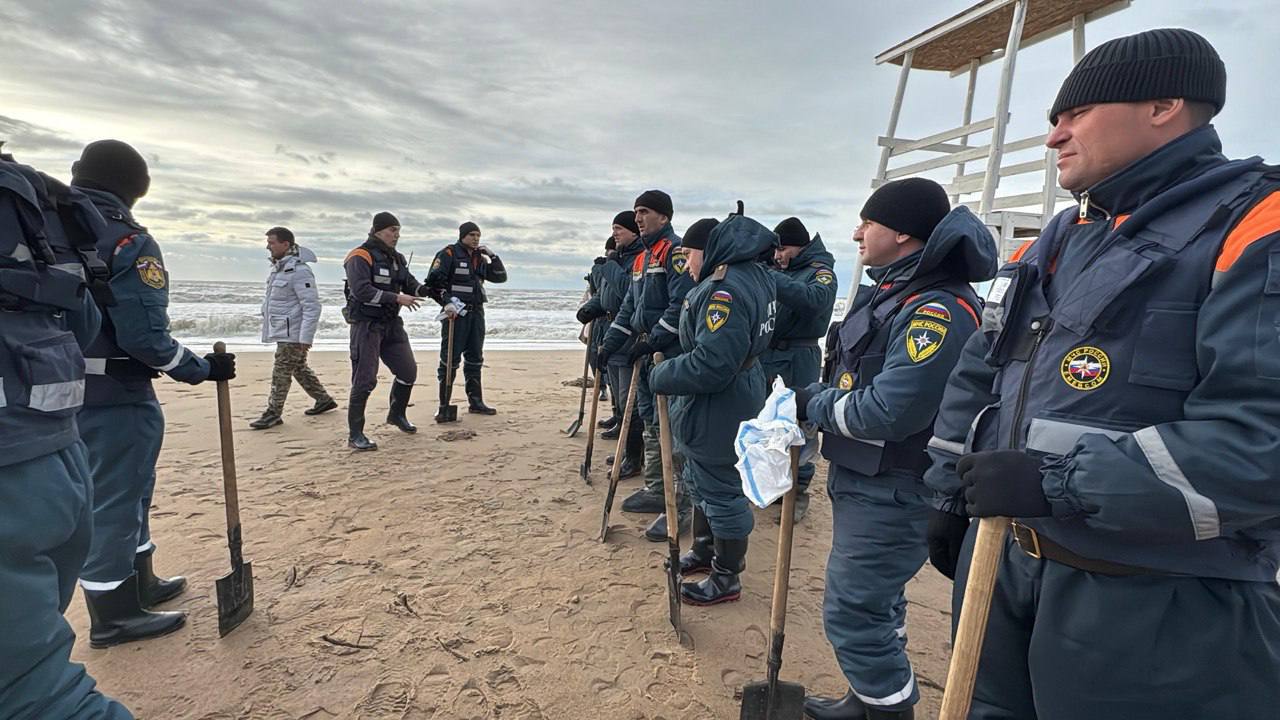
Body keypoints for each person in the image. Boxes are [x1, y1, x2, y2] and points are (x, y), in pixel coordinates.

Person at [924, 28, 1280, 719]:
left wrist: (1058, 482)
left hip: (1157, 604)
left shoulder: (1255, 226)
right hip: (1006, 566)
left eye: (1076, 114)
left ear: (1164, 105)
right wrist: (946, 492)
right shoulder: (1059, 238)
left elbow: (1261, 440)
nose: (1054, 136)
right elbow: (983, 369)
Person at [795, 179, 995, 720]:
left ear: (903, 232)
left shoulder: (937, 309)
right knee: (877, 603)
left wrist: (814, 405)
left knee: (854, 611)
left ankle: (887, 710)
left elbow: (891, 410)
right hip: (866, 478)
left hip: (895, 486)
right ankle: (871, 698)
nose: (856, 233)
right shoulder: (897, 292)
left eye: (868, 222)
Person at [72, 139, 237, 647]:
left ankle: (140, 580)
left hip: (61, 386)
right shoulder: (126, 239)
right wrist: (200, 369)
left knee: (124, 489)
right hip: (115, 391)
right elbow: (143, 336)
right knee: (117, 496)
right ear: (139, 187)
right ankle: (114, 613)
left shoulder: (52, 228)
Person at [0, 150, 133, 718]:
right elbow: (85, 319)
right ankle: (119, 606)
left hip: (34, 446)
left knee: (32, 692)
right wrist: (190, 366)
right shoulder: (42, 202)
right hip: (50, 442)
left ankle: (119, 605)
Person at [650, 209, 776, 605]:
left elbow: (713, 364)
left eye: (689, 254)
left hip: (721, 402)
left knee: (721, 486)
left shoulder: (725, 289)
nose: (686, 264)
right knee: (703, 477)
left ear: (709, 251)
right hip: (738, 389)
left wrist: (662, 374)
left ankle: (726, 576)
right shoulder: (755, 275)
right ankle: (705, 550)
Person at [598, 190, 695, 540]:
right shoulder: (642, 258)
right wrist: (610, 343)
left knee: (672, 424)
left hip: (667, 354)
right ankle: (656, 486)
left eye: (645, 211)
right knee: (650, 419)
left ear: (664, 217)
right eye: (636, 212)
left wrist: (654, 339)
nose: (638, 218)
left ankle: (679, 498)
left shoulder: (675, 253)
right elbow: (629, 307)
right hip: (644, 352)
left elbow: (680, 305)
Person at [760, 216, 837, 522]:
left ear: (801, 246)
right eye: (776, 250)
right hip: (770, 355)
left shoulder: (821, 272)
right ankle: (774, 485)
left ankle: (798, 491)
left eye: (783, 249)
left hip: (799, 355)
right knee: (769, 422)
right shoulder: (783, 270)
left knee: (799, 424)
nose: (778, 256)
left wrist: (771, 277)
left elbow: (814, 300)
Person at [343, 211, 428, 450]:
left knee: (408, 371)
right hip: (367, 325)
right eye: (393, 230)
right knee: (365, 380)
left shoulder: (397, 258)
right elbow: (361, 291)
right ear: (378, 231)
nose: (396, 235)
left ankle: (396, 414)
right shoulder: (359, 256)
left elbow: (411, 284)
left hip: (392, 324)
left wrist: (429, 290)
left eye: (398, 231)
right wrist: (397, 297)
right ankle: (355, 434)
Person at [577, 211, 644, 478]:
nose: (614, 233)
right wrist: (591, 308)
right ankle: (625, 450)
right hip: (610, 331)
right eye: (613, 228)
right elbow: (608, 295)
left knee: (630, 400)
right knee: (618, 394)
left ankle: (633, 457)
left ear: (633, 231)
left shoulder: (637, 259)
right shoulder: (619, 257)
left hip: (628, 334)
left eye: (619, 228)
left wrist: (611, 266)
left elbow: (627, 291)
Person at [250, 226, 336, 429]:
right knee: (297, 367)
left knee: (281, 371)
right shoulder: (279, 268)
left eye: (271, 243)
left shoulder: (300, 271)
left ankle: (273, 413)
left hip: (294, 333)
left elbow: (312, 306)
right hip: (283, 329)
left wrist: (305, 338)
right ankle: (323, 399)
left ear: (285, 244)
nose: (268, 247)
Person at [424, 221, 508, 417]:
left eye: (478, 235)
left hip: (476, 312)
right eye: (472, 235)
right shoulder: (448, 254)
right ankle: (444, 405)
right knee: (450, 359)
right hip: (455, 314)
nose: (476, 239)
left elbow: (500, 277)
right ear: (462, 236)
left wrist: (493, 256)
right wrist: (446, 303)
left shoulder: (480, 258)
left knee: (475, 358)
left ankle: (476, 402)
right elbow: (433, 284)